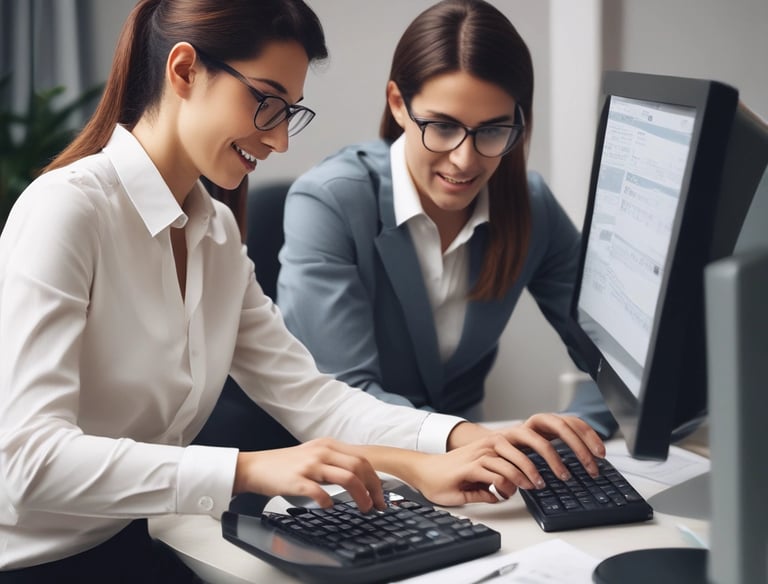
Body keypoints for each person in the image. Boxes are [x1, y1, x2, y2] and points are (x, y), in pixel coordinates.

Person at [0, 0, 606, 581]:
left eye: (289, 111)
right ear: (184, 70)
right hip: (33, 563)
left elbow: (316, 398)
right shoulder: (67, 211)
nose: (280, 141)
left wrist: (455, 441)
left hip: (130, 539)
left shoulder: (214, 229)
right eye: (266, 102)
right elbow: (25, 460)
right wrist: (247, 469)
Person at [276, 0, 616, 435]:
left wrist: (576, 429)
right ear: (398, 104)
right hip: (351, 475)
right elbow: (344, 398)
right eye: (442, 126)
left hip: (475, 482)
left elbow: (618, 367)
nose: (464, 159)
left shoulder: (530, 207)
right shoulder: (329, 203)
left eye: (492, 130)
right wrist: (469, 441)